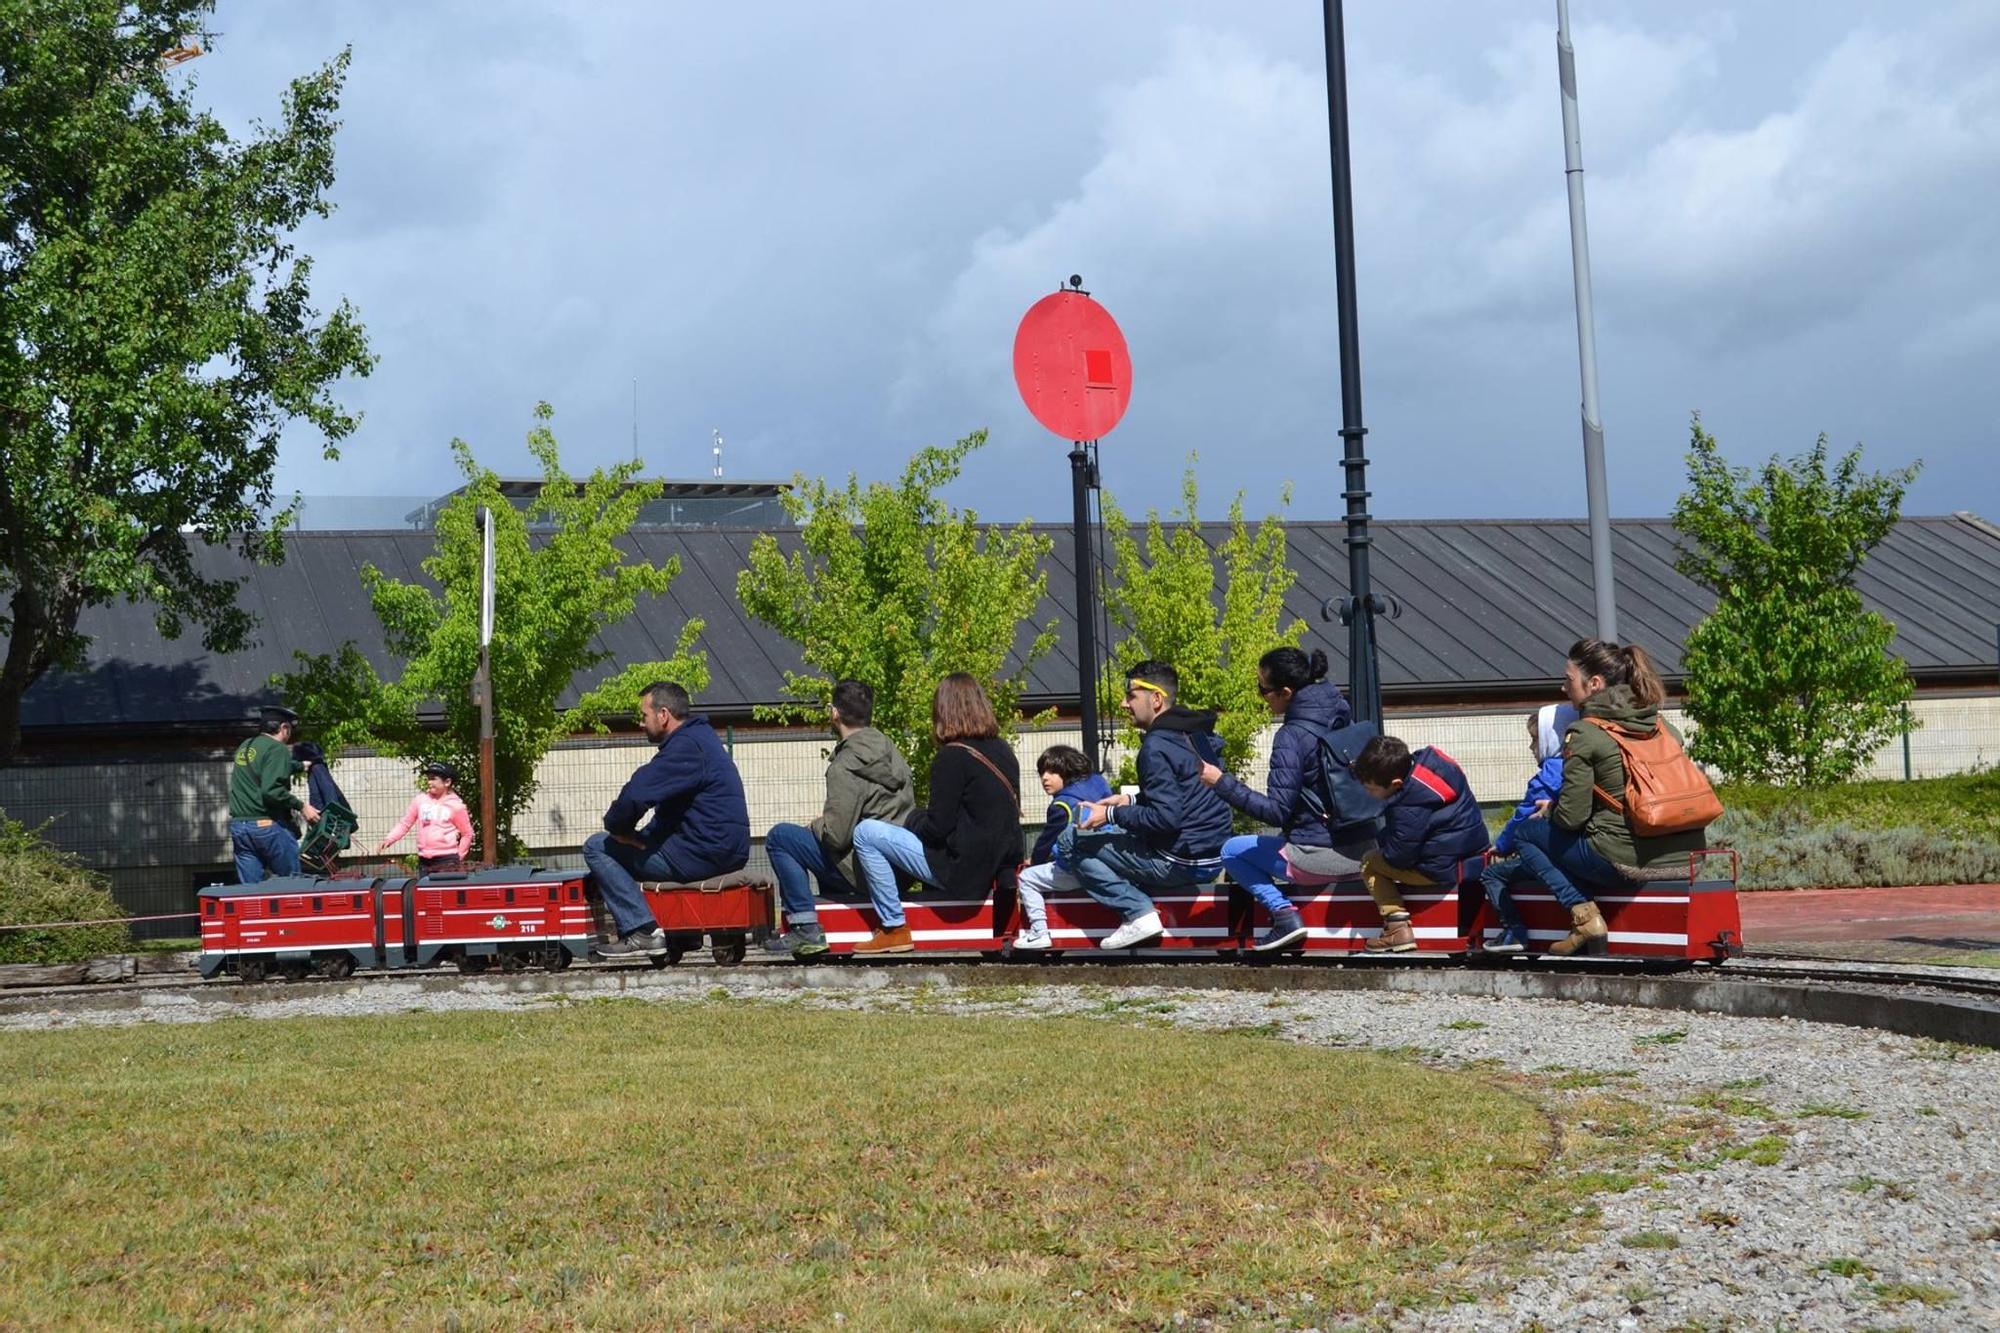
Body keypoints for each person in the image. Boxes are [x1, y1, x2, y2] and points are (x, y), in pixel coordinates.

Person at [1516, 638, 1707, 957]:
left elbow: (1571, 818)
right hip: (1688, 855)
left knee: (1527, 832)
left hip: (1625, 861)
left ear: (1594, 684)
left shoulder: (1585, 734)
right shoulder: (1662, 727)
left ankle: (1584, 919)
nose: (1564, 688)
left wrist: (1550, 811)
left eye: (1569, 679)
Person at [1198, 646, 1370, 952]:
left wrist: (1220, 782)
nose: (1260, 697)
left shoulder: (1291, 736)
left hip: (1319, 854)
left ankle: (1284, 916)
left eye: (1263, 690)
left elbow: (1276, 811)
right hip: (1366, 846)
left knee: (1232, 850)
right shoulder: (1342, 714)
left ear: (1286, 692)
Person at [849, 674, 1022, 955]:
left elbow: (938, 827)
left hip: (961, 871)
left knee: (866, 833)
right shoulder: (1003, 750)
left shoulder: (951, 756)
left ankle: (893, 927)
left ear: (943, 710)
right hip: (996, 864)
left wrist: (911, 818)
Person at [1068, 660, 1232, 951]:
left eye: (1131, 695)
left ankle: (1137, 913)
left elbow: (1166, 818)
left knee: (1074, 840)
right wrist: (1129, 800)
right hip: (1213, 856)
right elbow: (1187, 796)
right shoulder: (1196, 734)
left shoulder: (1155, 746)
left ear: (1156, 699)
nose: (1123, 703)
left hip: (1180, 861)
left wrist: (1109, 814)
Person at [582, 681, 751, 959]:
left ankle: (642, 931)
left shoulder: (685, 748)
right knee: (632, 848)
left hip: (702, 854)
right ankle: (681, 935)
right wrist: (639, 838)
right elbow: (670, 816)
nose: (640, 723)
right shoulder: (703, 740)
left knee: (598, 847)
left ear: (663, 715)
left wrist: (619, 830)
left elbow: (636, 794)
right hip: (724, 849)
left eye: (643, 716)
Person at [762, 680, 916, 959]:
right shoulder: (890, 750)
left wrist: (816, 824)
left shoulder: (845, 766)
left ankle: (804, 926)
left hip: (863, 872)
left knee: (780, 837)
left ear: (834, 713)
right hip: (899, 872)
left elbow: (837, 835)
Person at [1350, 735, 1490, 953]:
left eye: (1371, 788)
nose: (1369, 793)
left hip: (1441, 868)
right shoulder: (1434, 767)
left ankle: (1397, 930)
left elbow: (1399, 856)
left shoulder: (1408, 806)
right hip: (1471, 849)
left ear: (1395, 783)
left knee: (1370, 862)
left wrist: (1382, 839)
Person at [1475, 703, 1578, 953]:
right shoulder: (1578, 766)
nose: (1531, 748)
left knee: (1491, 874)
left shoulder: (1548, 776)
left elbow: (1524, 815)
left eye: (1535, 741)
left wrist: (1501, 845)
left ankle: (1514, 930)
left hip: (1551, 851)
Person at [1011, 743, 1112, 951]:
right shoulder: (1099, 784)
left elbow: (1044, 844)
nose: (1044, 778)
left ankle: (1039, 932)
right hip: (1106, 862)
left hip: (1076, 869)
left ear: (1067, 771)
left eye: (1052, 771)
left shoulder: (1061, 806)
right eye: (1041, 773)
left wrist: (1034, 862)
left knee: (1027, 879)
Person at [227, 705, 319, 884]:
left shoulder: (245, 747)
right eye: (290, 729)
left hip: (240, 828)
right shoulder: (277, 749)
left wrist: (300, 766)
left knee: (250, 891)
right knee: (291, 883)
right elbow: (271, 791)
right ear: (284, 728)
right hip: (266, 826)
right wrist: (302, 806)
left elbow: (262, 768)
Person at [376, 760, 474, 874]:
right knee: (424, 890)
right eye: (428, 778)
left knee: (442, 891)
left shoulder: (456, 806)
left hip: (447, 859)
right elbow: (405, 823)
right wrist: (389, 839)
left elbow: (467, 834)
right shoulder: (420, 800)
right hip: (424, 859)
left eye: (433, 779)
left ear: (447, 782)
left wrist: (458, 857)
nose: (429, 782)